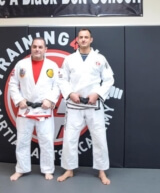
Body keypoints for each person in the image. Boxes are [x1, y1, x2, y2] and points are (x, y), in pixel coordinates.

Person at [57, 28, 114, 185]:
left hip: (93, 104)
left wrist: (97, 94)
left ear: (91, 40)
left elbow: (109, 79)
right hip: (74, 104)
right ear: (77, 40)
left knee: (99, 138)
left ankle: (101, 171)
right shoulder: (69, 59)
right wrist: (70, 93)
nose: (83, 39)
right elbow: (62, 79)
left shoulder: (99, 58)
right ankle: (69, 169)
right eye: (80, 37)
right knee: (70, 138)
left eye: (86, 37)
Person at [9, 37, 60, 181]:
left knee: (46, 140)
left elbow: (57, 85)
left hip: (44, 109)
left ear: (45, 49)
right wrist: (19, 100)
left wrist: (50, 100)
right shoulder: (21, 64)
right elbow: (13, 84)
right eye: (34, 46)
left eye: (40, 47)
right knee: (22, 140)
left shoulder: (52, 65)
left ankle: (48, 169)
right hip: (26, 109)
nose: (37, 49)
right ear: (31, 48)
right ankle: (21, 168)